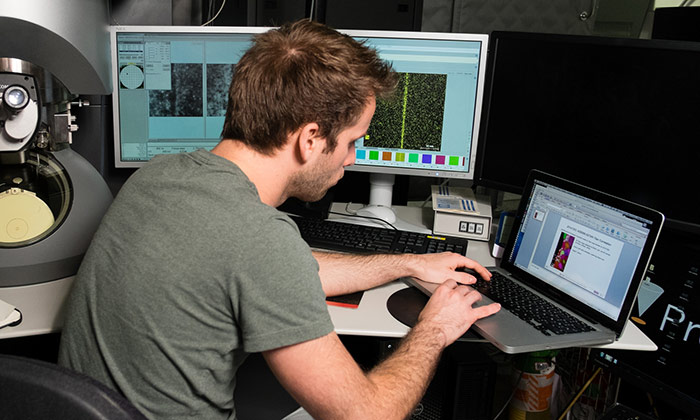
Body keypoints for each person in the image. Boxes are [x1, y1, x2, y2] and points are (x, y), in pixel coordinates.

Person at [58, 19, 500, 420]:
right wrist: (434, 330)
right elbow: (368, 415)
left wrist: (404, 263)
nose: (351, 159)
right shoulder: (261, 240)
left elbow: (275, 273)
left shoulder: (159, 174)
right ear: (310, 138)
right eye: (351, 142)